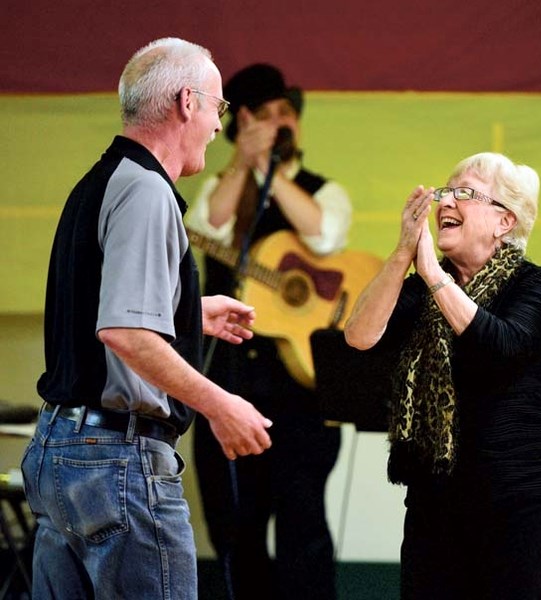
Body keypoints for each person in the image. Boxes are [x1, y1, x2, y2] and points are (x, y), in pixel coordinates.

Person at [20, 38, 273, 600]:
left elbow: (95, 308)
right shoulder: (146, 191)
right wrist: (220, 405)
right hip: (116, 462)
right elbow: (125, 332)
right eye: (218, 107)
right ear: (188, 102)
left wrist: (187, 312)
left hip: (59, 452)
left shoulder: (101, 181)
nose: (217, 124)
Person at [344, 152, 541, 600]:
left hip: (524, 498)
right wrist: (401, 255)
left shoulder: (537, 285)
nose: (446, 202)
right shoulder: (419, 290)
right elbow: (359, 336)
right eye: (446, 192)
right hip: (438, 498)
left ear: (504, 222)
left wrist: (432, 273)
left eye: (466, 193)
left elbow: (501, 345)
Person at [184, 63, 352, 600]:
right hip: (226, 382)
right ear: (239, 124)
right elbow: (206, 226)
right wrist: (243, 162)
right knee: (237, 526)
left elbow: (322, 236)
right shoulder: (219, 184)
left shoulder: (325, 191)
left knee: (304, 527)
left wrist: (271, 169)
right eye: (266, 116)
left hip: (301, 395)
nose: (280, 124)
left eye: (287, 116)